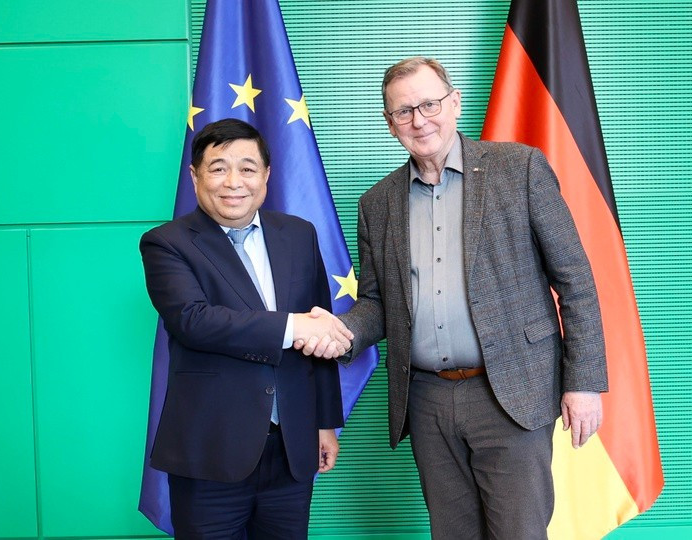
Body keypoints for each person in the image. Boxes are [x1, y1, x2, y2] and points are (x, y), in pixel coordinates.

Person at [299, 57, 608, 539]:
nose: (419, 120)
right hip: (426, 399)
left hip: (511, 393)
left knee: (519, 533)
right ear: (389, 122)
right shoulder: (376, 203)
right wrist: (340, 333)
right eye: (404, 111)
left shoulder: (520, 168)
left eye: (429, 103)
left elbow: (575, 280)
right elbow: (380, 303)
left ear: (455, 102)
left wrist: (583, 382)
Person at [140, 118, 353, 539]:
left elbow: (320, 330)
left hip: (292, 450)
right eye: (218, 168)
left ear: (267, 176)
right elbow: (194, 320)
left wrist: (325, 422)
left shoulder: (298, 234)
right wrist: (293, 327)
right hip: (210, 453)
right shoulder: (167, 243)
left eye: (248, 168)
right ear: (195, 175)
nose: (234, 182)